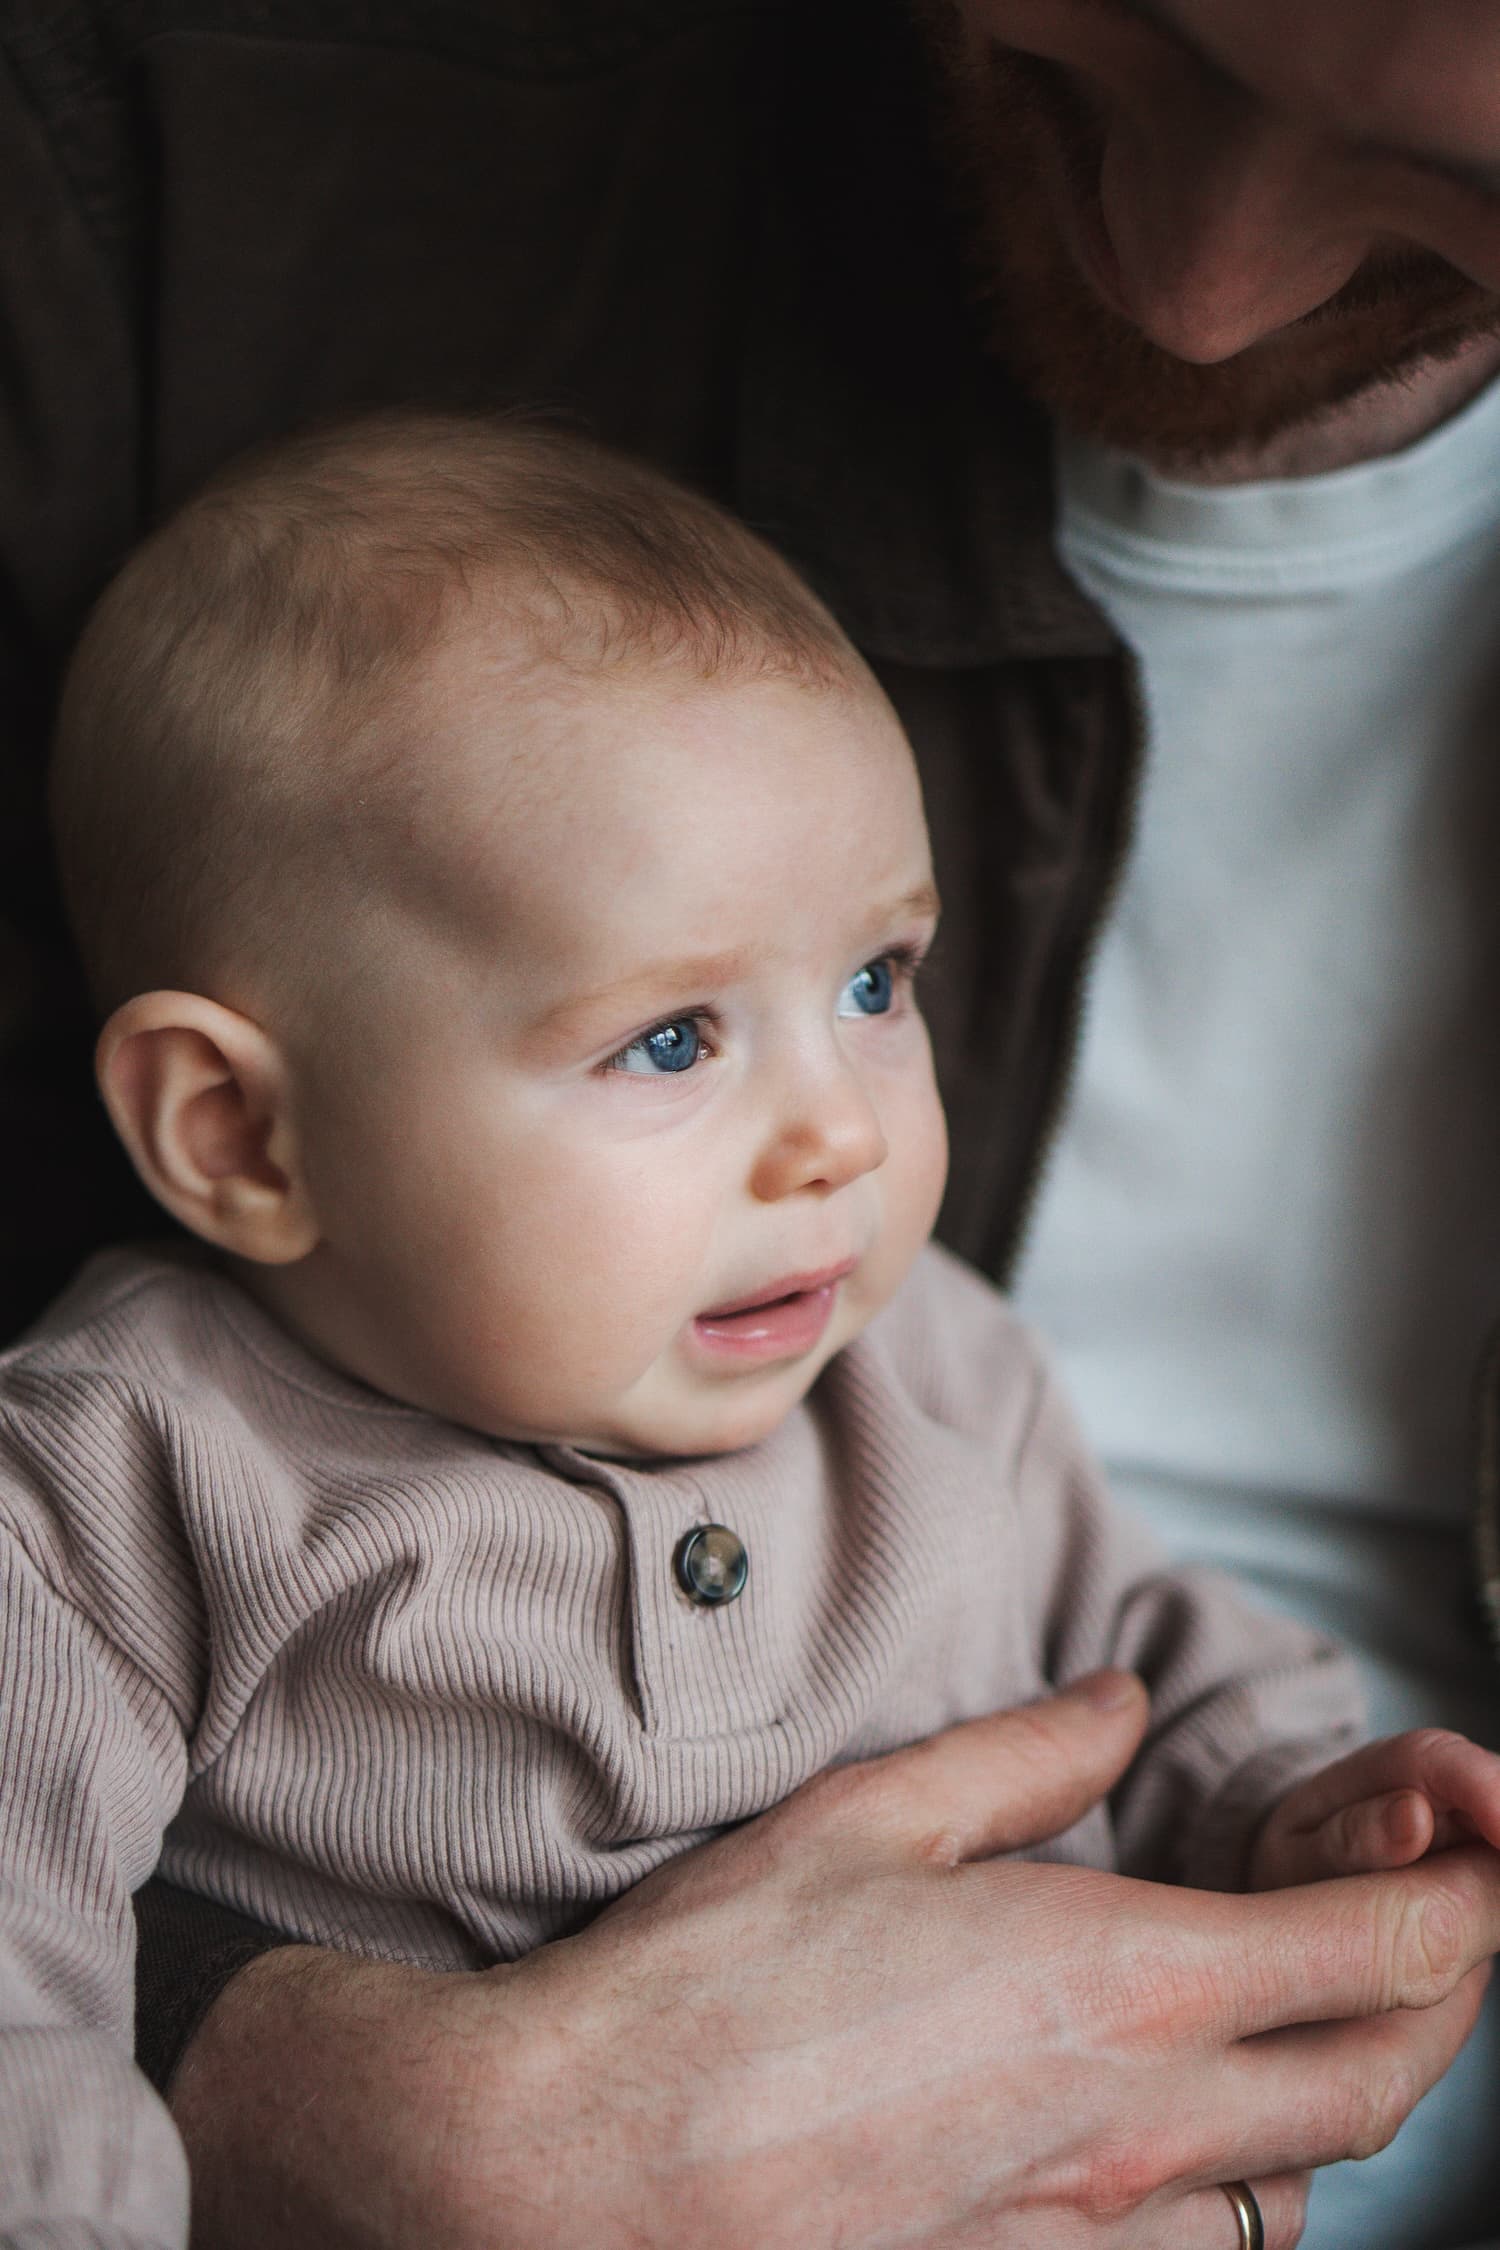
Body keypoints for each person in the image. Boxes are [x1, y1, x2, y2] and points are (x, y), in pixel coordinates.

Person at [2, 1, 1500, 2245]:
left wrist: (1299, 1809)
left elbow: (1163, 1658)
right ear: (237, 1135)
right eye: (675, 1043)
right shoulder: (129, 1478)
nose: (841, 1139)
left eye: (878, 987)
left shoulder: (940, 1377)